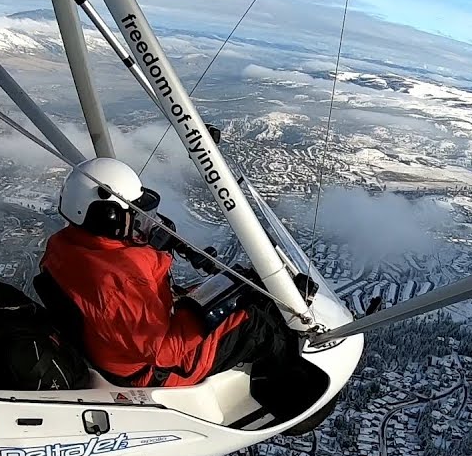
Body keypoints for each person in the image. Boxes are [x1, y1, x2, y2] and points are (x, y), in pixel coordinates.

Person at [40, 157, 288, 387]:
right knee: (256, 323)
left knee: (238, 295)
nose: (141, 223)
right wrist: (209, 309)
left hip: (121, 344)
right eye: (133, 215)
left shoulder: (66, 245)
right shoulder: (118, 282)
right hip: (150, 371)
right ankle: (285, 387)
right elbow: (165, 351)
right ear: (109, 218)